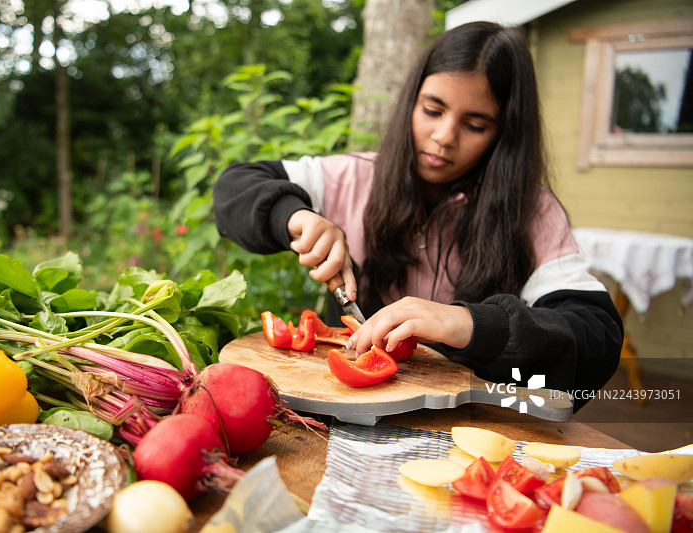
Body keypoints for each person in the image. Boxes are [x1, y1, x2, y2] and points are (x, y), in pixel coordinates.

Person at [212, 21, 623, 409]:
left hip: (473, 432)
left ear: (505, 134)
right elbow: (234, 186)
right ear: (412, 100)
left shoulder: (532, 212)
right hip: (353, 416)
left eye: (475, 125)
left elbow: (595, 336)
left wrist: (472, 325)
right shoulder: (352, 178)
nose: (444, 137)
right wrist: (293, 215)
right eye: (432, 110)